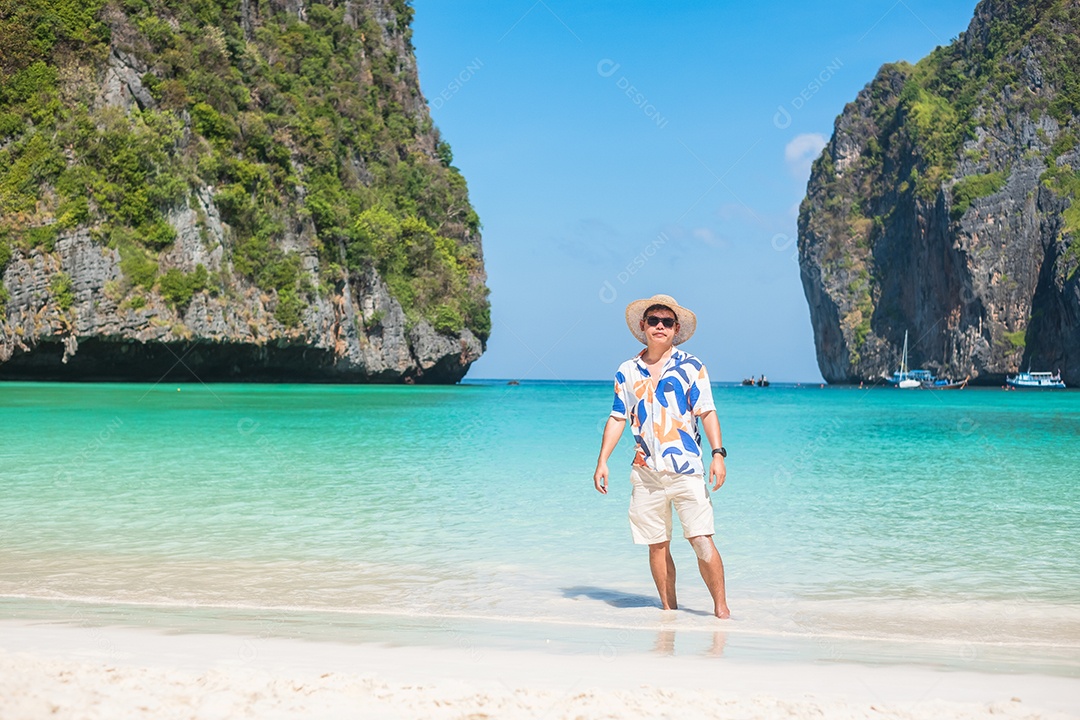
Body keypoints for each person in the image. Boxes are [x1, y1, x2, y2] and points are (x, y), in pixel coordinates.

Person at [593, 294, 731, 618]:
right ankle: (669, 614)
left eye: (666, 322)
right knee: (657, 544)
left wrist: (718, 454)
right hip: (646, 471)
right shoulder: (627, 371)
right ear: (643, 326)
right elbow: (617, 417)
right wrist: (602, 461)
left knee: (700, 539)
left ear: (675, 328)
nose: (659, 326)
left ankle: (722, 612)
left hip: (686, 468)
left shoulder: (692, 367)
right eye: (653, 321)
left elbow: (707, 412)